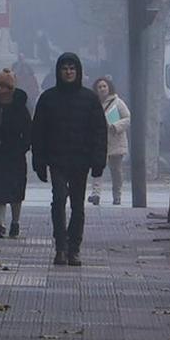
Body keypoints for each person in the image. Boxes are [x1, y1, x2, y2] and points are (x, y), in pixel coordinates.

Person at [31, 52, 107, 267]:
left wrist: (98, 161)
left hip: (80, 160)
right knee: (58, 200)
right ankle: (61, 247)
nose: (68, 72)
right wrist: (39, 161)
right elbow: (38, 131)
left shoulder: (89, 99)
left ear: (78, 71)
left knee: (77, 206)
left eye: (72, 68)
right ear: (58, 71)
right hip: (57, 159)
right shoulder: (48, 98)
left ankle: (74, 248)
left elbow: (99, 132)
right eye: (65, 68)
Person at [0, 68, 32, 238]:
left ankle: (15, 222)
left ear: (10, 88)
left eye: (3, 87)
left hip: (15, 155)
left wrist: (23, 147)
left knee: (16, 191)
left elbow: (28, 130)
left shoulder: (20, 107)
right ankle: (0, 225)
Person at [89, 76, 131, 206]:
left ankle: (117, 195)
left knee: (116, 171)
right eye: (99, 87)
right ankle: (96, 194)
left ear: (109, 88)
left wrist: (115, 126)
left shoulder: (118, 102)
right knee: (97, 168)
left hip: (115, 141)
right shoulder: (93, 103)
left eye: (104, 86)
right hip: (99, 141)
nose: (102, 89)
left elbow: (127, 118)